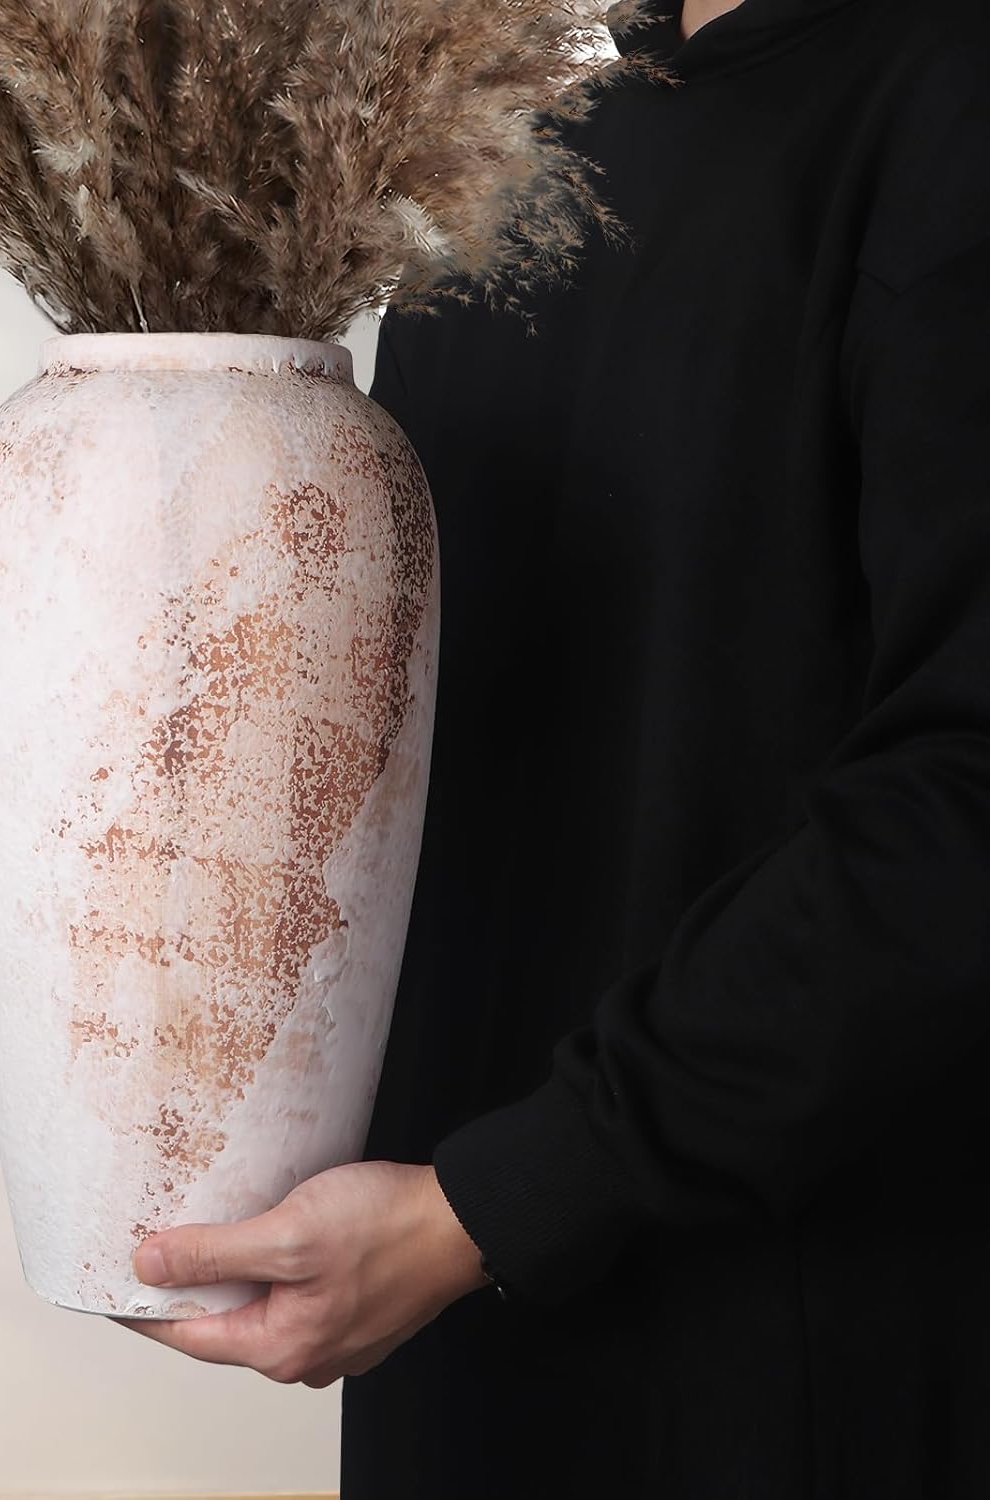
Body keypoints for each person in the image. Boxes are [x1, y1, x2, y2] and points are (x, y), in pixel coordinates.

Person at [117, 0, 990, 1492]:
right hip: (460, 1328)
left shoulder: (948, 105)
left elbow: (961, 796)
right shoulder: (506, 144)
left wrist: (493, 1204)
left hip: (796, 1347)